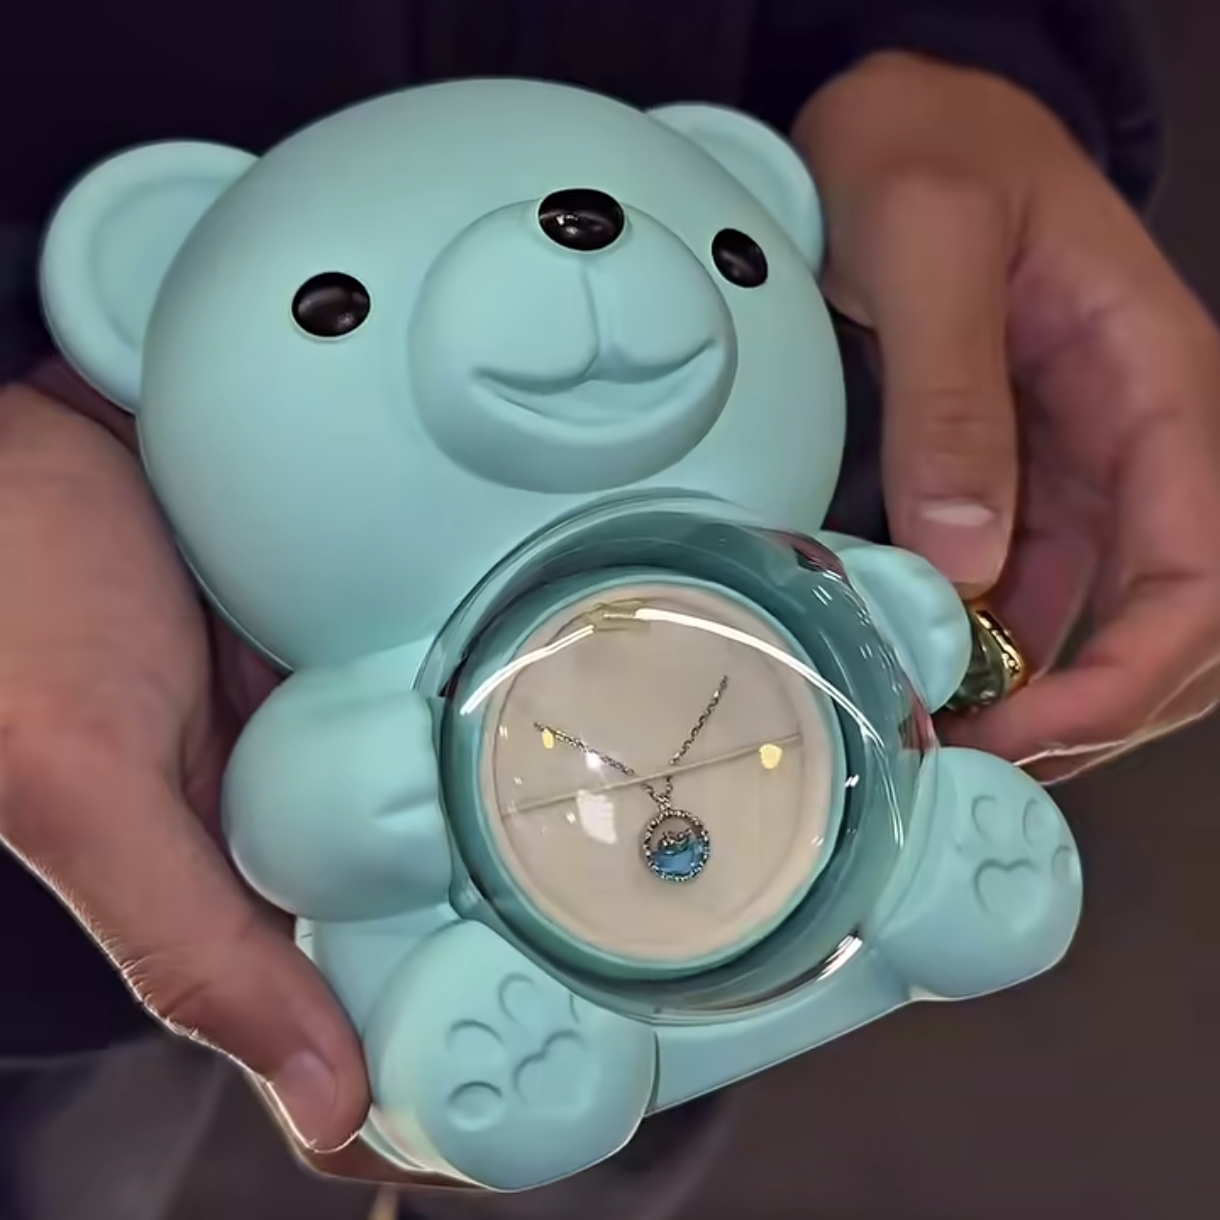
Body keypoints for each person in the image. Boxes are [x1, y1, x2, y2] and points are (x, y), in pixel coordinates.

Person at [1, 0, 1218, 1216]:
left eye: (728, 252)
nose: (574, 265)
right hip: (109, 786)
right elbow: (295, 820)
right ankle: (501, 1046)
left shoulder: (770, 545)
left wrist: (958, 49)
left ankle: (925, 884)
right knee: (85, 1136)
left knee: (672, 1078)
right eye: (333, 308)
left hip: (774, 795)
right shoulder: (352, 671)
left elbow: (884, 635)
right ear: (140, 298)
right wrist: (349, 798)